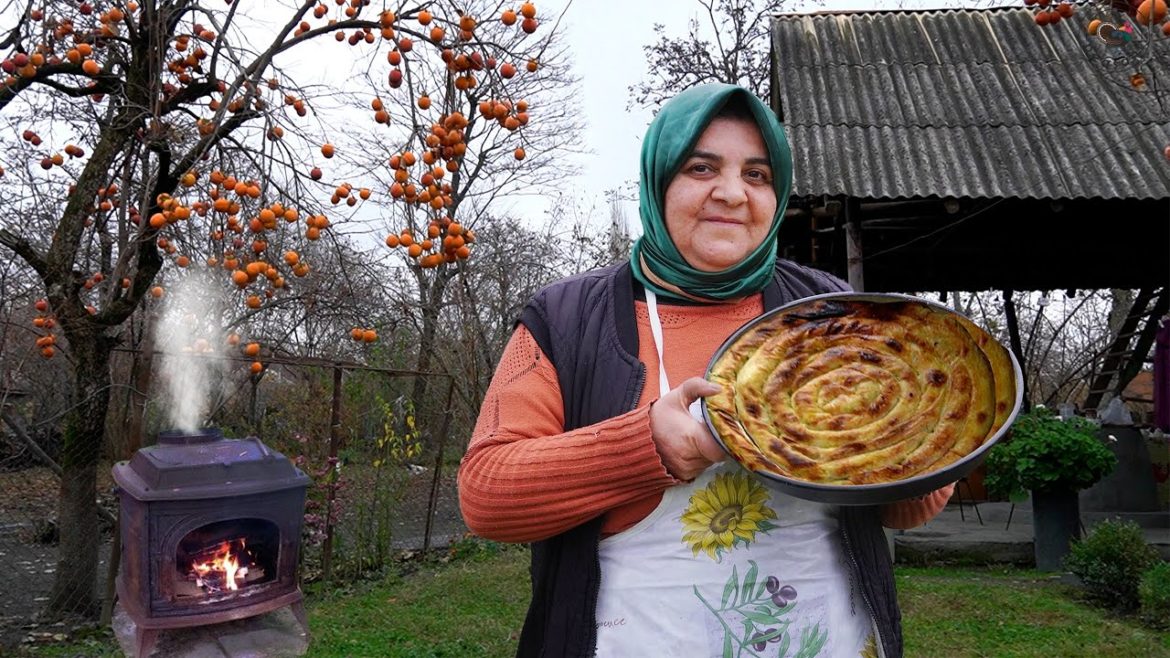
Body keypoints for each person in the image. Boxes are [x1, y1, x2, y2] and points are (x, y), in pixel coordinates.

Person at [458, 83, 953, 658]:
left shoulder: (831, 310)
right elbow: (487, 495)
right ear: (659, 181)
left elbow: (907, 510)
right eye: (701, 167)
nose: (732, 193)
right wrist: (646, 446)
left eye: (758, 175)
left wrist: (920, 439)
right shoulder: (568, 318)